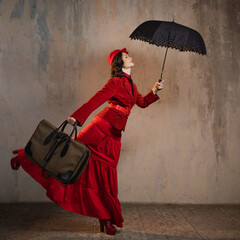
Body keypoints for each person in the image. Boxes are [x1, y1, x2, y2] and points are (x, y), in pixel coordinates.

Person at [10, 48, 164, 235]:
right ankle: (24, 155)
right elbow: (96, 99)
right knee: (65, 150)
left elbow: (142, 103)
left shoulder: (132, 85)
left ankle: (105, 219)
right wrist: (77, 117)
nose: (130, 58)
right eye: (125, 57)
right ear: (119, 62)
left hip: (115, 135)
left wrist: (154, 90)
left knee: (105, 179)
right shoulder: (115, 82)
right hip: (100, 127)